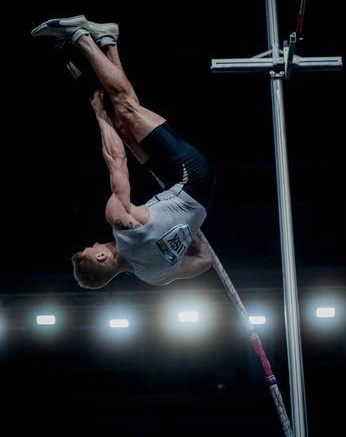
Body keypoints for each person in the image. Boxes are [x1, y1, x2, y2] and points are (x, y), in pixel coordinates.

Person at [31, 15, 216, 288]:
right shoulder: (120, 222)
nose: (94, 243)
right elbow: (117, 161)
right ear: (103, 256)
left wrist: (187, 227)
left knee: (125, 125)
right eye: (91, 248)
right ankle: (80, 36)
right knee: (124, 108)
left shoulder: (156, 277)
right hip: (190, 173)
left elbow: (205, 259)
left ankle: (108, 40)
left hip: (190, 189)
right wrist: (100, 117)